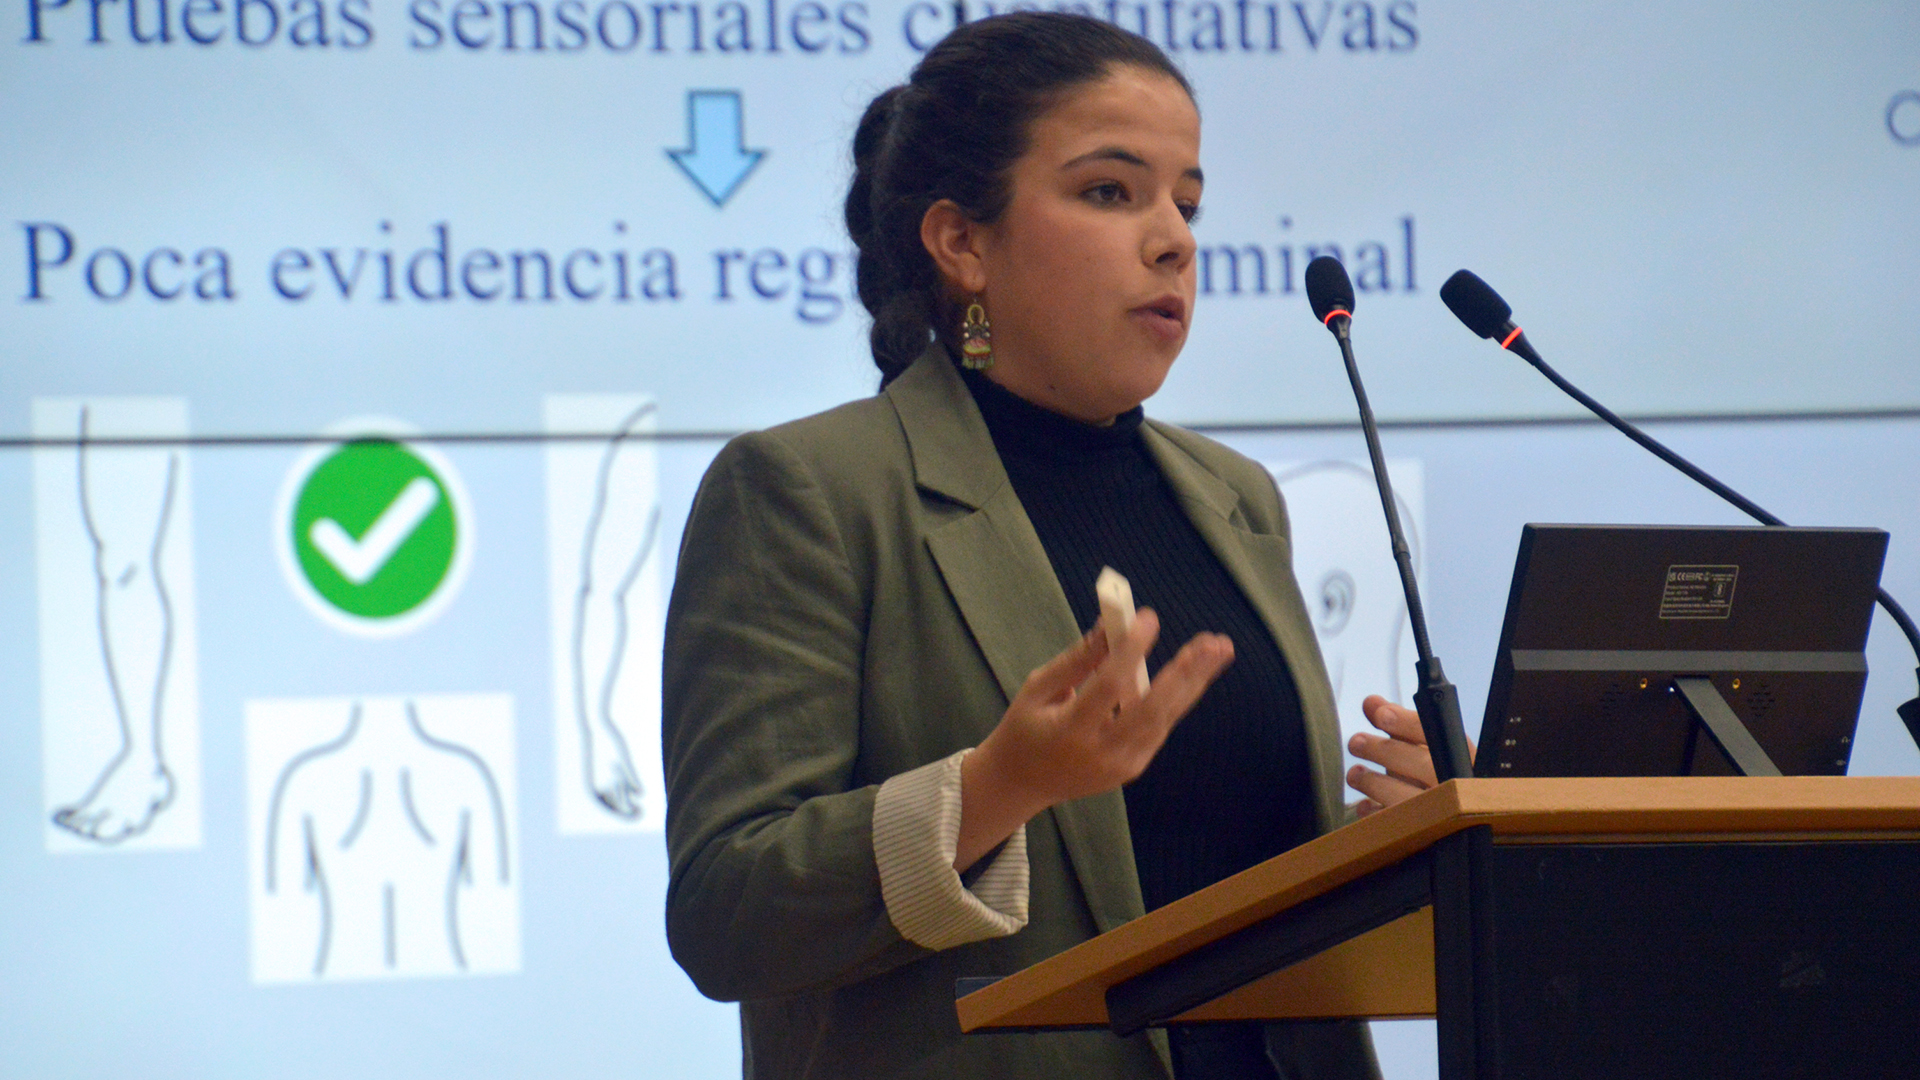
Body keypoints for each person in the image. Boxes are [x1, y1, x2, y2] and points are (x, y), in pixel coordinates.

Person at [662, 13, 1445, 1079]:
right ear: (962, 243)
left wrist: (1407, 839)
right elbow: (728, 914)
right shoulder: (810, 492)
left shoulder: (1237, 499)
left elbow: (1225, 876)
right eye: (1111, 192)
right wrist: (996, 786)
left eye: (1186, 204)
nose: (1173, 240)